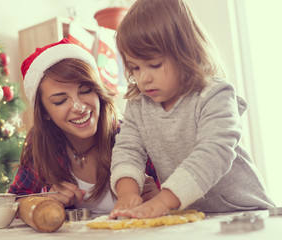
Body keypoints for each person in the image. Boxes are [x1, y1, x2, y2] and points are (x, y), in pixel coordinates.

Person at [109, 0, 275, 219]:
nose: (143, 78)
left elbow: (215, 151)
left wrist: (163, 201)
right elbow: (127, 150)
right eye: (134, 67)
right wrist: (127, 192)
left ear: (184, 52)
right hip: (194, 216)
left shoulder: (214, 93)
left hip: (244, 212)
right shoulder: (139, 105)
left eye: (155, 65)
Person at [8, 38, 159, 215]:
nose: (79, 107)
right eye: (60, 101)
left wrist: (159, 197)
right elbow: (13, 203)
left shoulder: (130, 136)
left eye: (85, 90)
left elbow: (183, 196)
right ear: (45, 113)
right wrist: (42, 200)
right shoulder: (41, 143)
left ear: (98, 91)